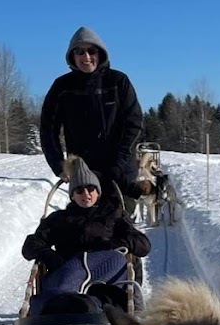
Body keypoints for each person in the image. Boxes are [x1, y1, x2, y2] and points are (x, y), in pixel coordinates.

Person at [21, 158, 149, 321]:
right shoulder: (60, 219)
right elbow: (30, 245)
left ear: (98, 191)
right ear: (72, 195)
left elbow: (143, 245)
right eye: (79, 191)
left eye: (90, 189)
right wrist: (50, 256)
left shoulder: (114, 215)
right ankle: (78, 305)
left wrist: (114, 244)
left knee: (117, 262)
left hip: (106, 278)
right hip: (67, 275)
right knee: (64, 287)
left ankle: (87, 306)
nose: (86, 194)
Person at [39, 27, 144, 198]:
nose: (86, 57)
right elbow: (48, 129)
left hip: (120, 172)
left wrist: (118, 163)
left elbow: (135, 124)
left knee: (120, 221)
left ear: (100, 53)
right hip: (83, 175)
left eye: (91, 51)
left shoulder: (118, 81)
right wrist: (59, 165)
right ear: (72, 56)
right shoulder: (62, 87)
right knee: (85, 223)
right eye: (79, 51)